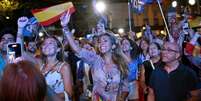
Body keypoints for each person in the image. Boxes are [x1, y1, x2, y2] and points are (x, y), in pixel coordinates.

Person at [61, 11, 129, 101]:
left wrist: (121, 98)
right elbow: (77, 49)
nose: (101, 43)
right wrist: (65, 27)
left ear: (113, 45)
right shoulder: (94, 59)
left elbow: (126, 88)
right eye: (100, 41)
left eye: (105, 41)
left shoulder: (121, 63)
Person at [40, 35, 73, 101]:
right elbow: (22, 53)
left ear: (58, 49)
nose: (46, 45)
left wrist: (46, 98)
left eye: (51, 43)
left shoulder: (64, 67)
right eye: (44, 43)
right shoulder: (40, 66)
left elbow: (69, 94)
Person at [121, 37, 144, 101]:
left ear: (131, 47)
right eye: (122, 44)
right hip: (121, 85)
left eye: (126, 43)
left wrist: (140, 75)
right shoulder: (118, 58)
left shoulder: (136, 57)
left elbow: (142, 67)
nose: (124, 45)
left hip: (133, 83)